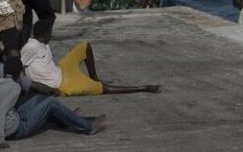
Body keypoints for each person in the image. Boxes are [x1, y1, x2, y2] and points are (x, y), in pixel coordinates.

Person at [0, 57, 106, 149]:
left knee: (39, 99)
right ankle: (87, 127)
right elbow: (1, 111)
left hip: (13, 119)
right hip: (15, 130)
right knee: (50, 102)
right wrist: (0, 139)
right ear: (20, 73)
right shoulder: (14, 87)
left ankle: (70, 119)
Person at [21, 21, 160, 97]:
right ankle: (144, 88)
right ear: (46, 34)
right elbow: (16, 67)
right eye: (51, 33)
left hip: (62, 69)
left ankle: (94, 77)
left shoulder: (43, 43)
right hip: (63, 84)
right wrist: (38, 88)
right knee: (103, 89)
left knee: (85, 46)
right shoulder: (30, 47)